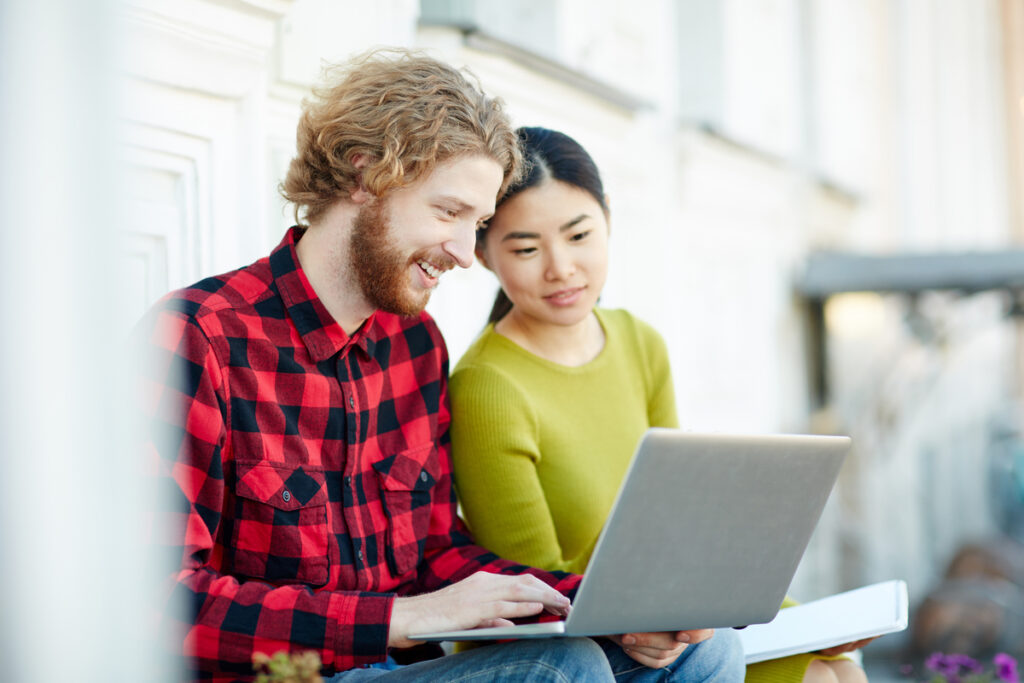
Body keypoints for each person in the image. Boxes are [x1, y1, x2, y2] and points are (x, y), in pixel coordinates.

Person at [136, 50, 744, 682]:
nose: (462, 253)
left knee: (707, 649)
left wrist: (612, 606)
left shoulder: (416, 343)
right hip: (290, 675)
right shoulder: (198, 337)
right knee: (557, 670)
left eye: (477, 223)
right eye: (449, 212)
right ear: (363, 174)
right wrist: (399, 618)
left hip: (405, 669)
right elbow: (153, 599)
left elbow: (433, 551)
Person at [449, 126, 873, 683]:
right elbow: (534, 588)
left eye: (579, 236)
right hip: (579, 641)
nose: (561, 268)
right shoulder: (487, 386)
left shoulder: (638, 341)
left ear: (608, 220)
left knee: (839, 660)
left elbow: (679, 514)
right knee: (817, 677)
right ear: (483, 253)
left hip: (669, 612)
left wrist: (765, 610)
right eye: (526, 249)